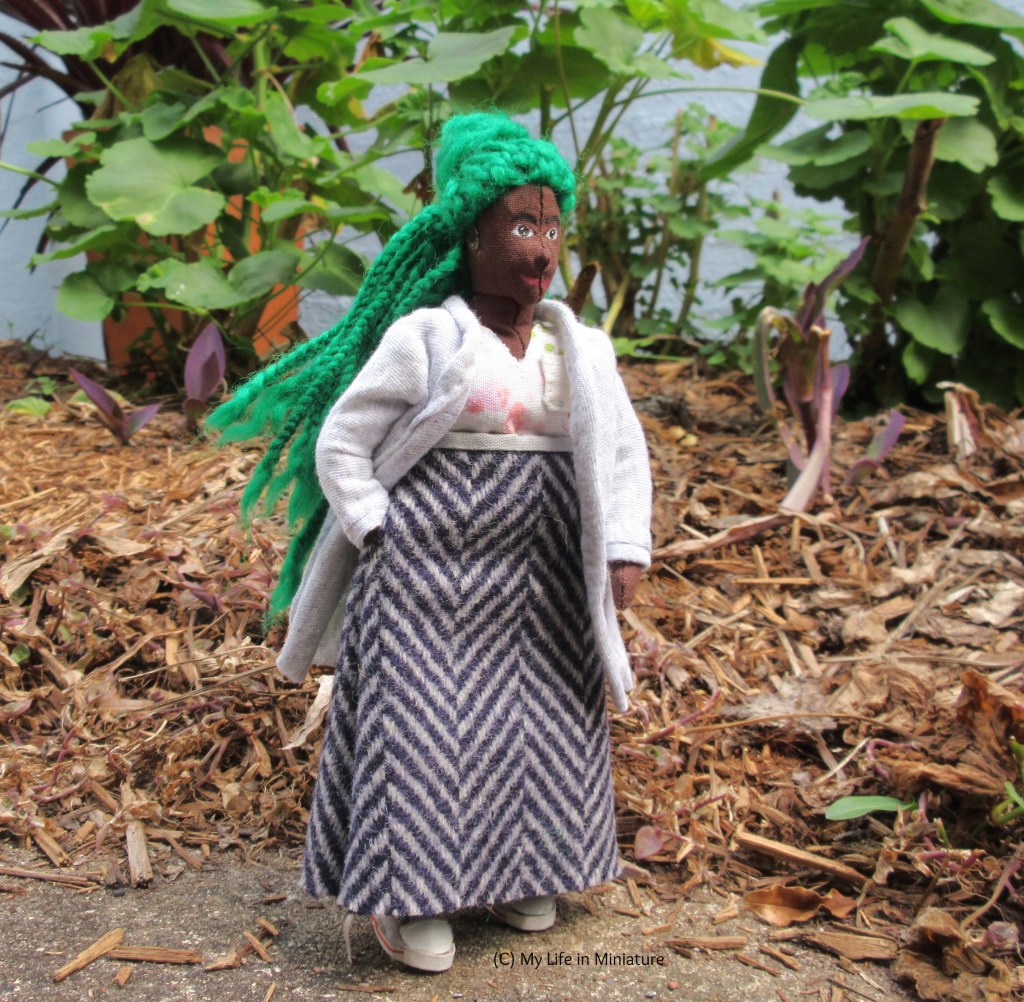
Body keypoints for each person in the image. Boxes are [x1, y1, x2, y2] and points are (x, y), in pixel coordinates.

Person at [207, 112, 652, 973]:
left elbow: (624, 453)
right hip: (421, 583)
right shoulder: (427, 337)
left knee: (545, 723)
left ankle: (532, 869)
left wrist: (624, 546)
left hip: (547, 581)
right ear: (470, 235)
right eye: (522, 225)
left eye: (552, 226)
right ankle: (408, 899)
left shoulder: (582, 349)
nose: (542, 246)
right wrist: (377, 521)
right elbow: (343, 439)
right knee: (421, 731)